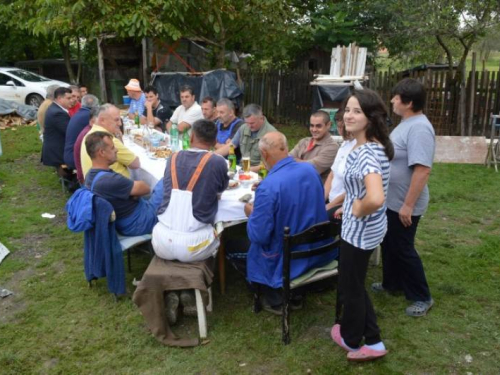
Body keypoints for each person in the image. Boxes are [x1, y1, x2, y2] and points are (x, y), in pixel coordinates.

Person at [330, 89, 393, 362]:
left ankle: (360, 339)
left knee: (351, 286)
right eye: (347, 110)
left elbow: (376, 197)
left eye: (357, 111)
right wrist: (345, 201)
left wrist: (357, 207)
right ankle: (358, 335)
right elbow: (361, 187)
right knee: (354, 283)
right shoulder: (371, 144)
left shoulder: (366, 152)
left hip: (360, 232)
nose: (349, 115)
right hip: (368, 229)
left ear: (370, 117)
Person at [244, 131, 337, 313]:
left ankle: (275, 297)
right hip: (316, 246)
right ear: (287, 148)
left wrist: (251, 212)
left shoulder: (269, 187)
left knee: (238, 247)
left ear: (264, 154)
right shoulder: (310, 170)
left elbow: (259, 235)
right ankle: (297, 293)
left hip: (285, 257)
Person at [152, 119, 228, 322]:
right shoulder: (218, 162)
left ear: (191, 137)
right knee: (219, 231)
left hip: (161, 241)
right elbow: (220, 190)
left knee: (185, 242)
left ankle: (176, 293)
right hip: (196, 245)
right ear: (214, 142)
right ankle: (193, 293)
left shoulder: (172, 157)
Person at [373, 78, 435, 317]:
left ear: (408, 102)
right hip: (393, 200)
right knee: (388, 243)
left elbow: (422, 169)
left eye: (396, 98)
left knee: (403, 247)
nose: (392, 101)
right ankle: (392, 283)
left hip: (405, 203)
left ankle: (422, 296)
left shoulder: (420, 128)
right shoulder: (406, 123)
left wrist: (408, 205)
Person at [84, 131, 162, 236]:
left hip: (121, 221)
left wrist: (133, 193)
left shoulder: (90, 176)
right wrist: (135, 193)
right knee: (167, 179)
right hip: (138, 222)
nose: (116, 150)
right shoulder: (110, 180)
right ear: (101, 152)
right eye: (112, 148)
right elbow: (146, 188)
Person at [81, 104, 140, 179]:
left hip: (93, 184)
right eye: (116, 120)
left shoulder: (89, 134)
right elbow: (135, 164)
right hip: (113, 186)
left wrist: (119, 137)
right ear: (102, 120)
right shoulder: (108, 140)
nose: (120, 123)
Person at [216, 104, 276, 172]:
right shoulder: (243, 128)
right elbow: (230, 146)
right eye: (247, 123)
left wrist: (247, 170)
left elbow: (272, 164)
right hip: (243, 169)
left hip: (261, 174)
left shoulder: (272, 135)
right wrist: (211, 156)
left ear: (261, 118)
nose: (249, 126)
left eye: (252, 123)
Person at [289, 110, 339, 183]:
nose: (314, 129)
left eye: (318, 126)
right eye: (312, 125)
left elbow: (309, 169)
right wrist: (302, 162)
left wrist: (293, 161)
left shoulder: (332, 147)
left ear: (328, 125)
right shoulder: (303, 141)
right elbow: (285, 160)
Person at [324, 110, 357, 222]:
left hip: (343, 204)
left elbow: (352, 189)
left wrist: (330, 206)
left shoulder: (358, 147)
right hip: (331, 199)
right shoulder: (344, 144)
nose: (341, 131)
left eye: (344, 127)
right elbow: (332, 174)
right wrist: (322, 199)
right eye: (339, 127)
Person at [64, 94, 99, 169]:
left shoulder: (79, 113)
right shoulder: (88, 116)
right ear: (96, 107)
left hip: (69, 154)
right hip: (75, 157)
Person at [41, 86, 72, 170]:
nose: (71, 100)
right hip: (58, 152)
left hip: (56, 148)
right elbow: (70, 132)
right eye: (68, 98)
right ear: (59, 98)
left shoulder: (55, 108)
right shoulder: (57, 113)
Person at [74, 106, 99, 184]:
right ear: (92, 121)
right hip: (87, 181)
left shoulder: (89, 130)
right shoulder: (92, 135)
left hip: (86, 176)